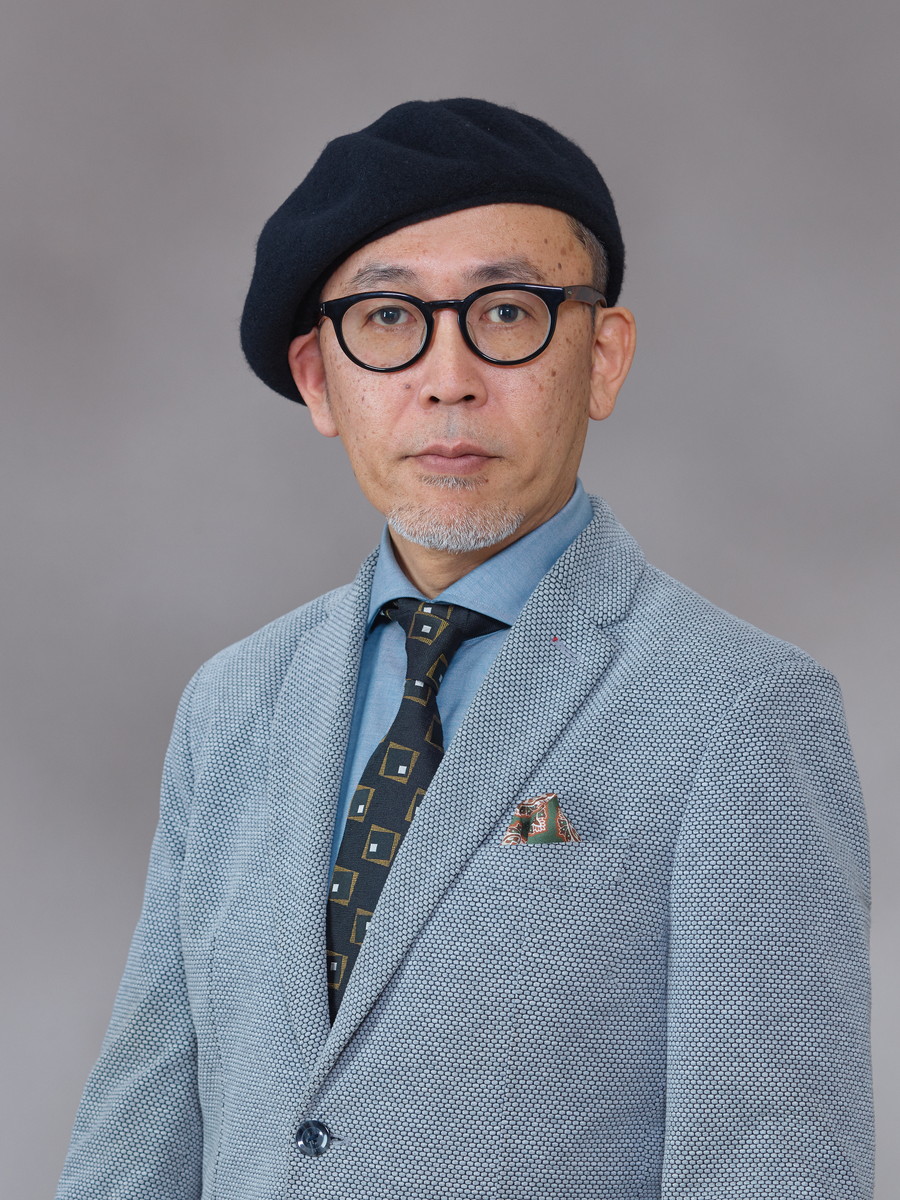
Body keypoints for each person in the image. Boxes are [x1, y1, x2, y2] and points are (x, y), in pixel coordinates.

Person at [56, 98, 874, 1200]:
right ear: (318, 379)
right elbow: (138, 1135)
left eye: (506, 312)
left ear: (604, 358)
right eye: (389, 318)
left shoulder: (740, 712)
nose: (448, 378)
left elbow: (772, 1168)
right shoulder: (233, 702)